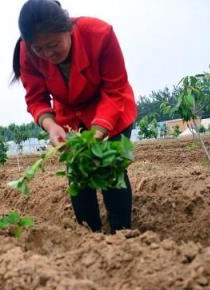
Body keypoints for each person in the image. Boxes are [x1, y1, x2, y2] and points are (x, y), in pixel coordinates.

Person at [12, 0, 137, 234]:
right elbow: (36, 98)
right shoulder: (26, 51)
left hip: (112, 109)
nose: (48, 54)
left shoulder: (100, 34)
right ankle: (89, 236)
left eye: (53, 44)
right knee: (78, 175)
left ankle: (123, 235)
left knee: (111, 171)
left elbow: (114, 89)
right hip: (69, 117)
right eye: (39, 49)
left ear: (68, 29)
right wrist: (51, 126)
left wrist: (98, 132)